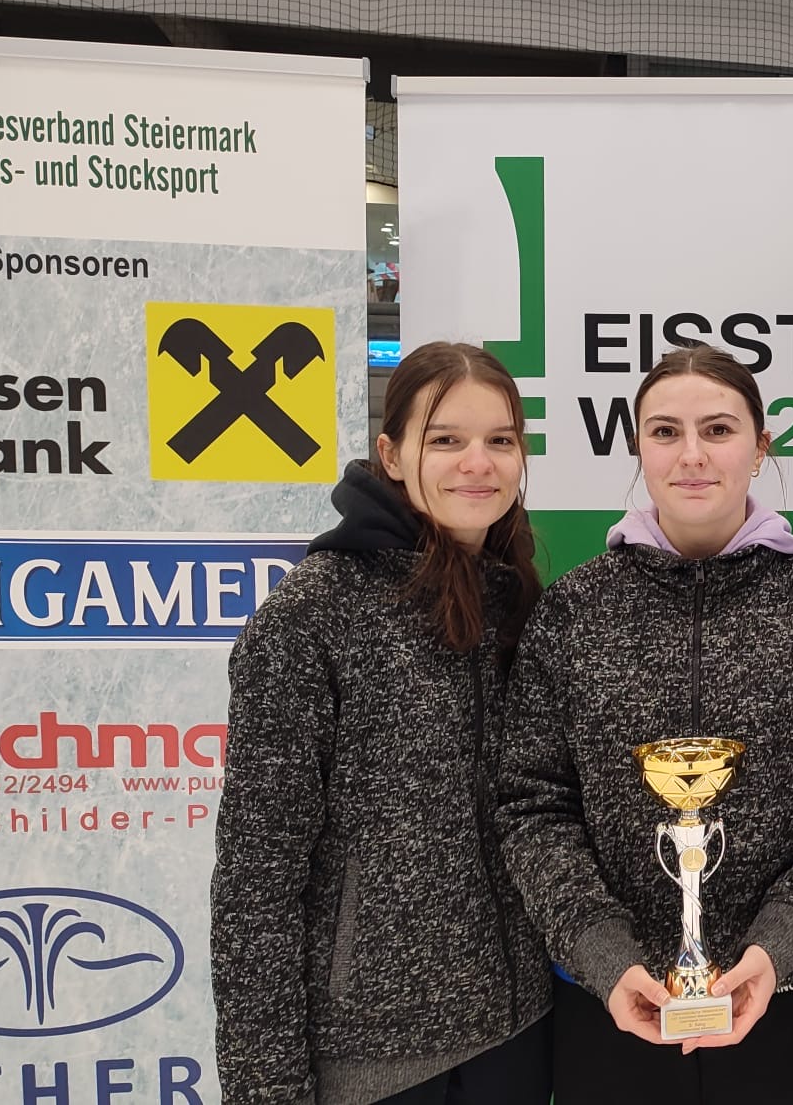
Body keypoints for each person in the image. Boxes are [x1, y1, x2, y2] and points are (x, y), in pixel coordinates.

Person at [496, 345, 793, 1105]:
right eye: (665, 432)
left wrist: (778, 948)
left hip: (788, 1008)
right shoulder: (576, 612)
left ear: (760, 444)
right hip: (612, 1012)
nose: (692, 455)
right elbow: (532, 808)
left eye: (718, 429)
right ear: (637, 445)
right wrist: (606, 958)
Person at [213, 342, 554, 1105]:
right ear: (392, 454)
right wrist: (266, 1088)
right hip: (374, 1062)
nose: (478, 462)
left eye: (500, 440)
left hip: (520, 1032)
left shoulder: (518, 602)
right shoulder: (311, 617)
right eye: (446, 440)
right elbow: (254, 882)